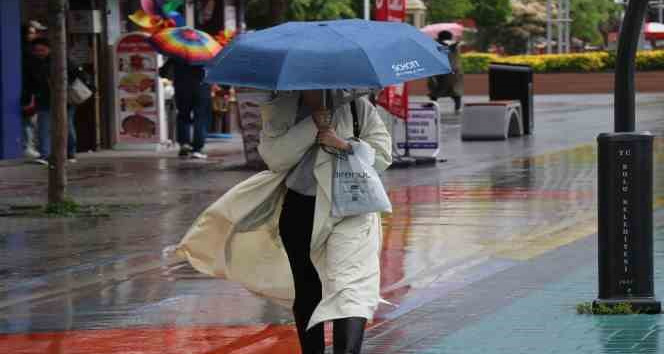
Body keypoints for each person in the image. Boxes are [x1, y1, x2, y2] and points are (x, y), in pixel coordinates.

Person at [173, 90, 392, 353]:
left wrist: (345, 145)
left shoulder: (358, 107)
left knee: (351, 287)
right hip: (301, 205)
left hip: (352, 208)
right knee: (307, 288)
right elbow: (275, 158)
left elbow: (382, 156)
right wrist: (312, 125)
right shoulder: (282, 107)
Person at [22, 38, 85, 165]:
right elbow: (29, 83)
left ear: (50, 48)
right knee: (43, 127)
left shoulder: (62, 60)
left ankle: (70, 153)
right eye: (36, 50)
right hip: (44, 99)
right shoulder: (32, 64)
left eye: (42, 50)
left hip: (65, 99)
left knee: (66, 125)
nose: (39, 53)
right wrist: (28, 98)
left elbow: (79, 76)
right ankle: (45, 155)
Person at [159, 59, 212, 159]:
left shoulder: (179, 52)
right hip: (201, 88)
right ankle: (197, 149)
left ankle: (184, 144)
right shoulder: (205, 54)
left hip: (181, 88)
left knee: (183, 115)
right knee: (200, 117)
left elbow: (162, 72)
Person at [20, 21, 46, 159]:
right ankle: (27, 146)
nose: (35, 34)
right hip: (29, 90)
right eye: (32, 32)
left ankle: (30, 145)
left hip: (32, 89)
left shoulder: (30, 50)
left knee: (32, 120)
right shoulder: (27, 52)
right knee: (29, 120)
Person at [427, 30, 464, 114]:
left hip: (443, 71)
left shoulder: (445, 45)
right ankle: (457, 107)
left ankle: (432, 106)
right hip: (454, 71)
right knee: (455, 90)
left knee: (436, 89)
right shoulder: (453, 45)